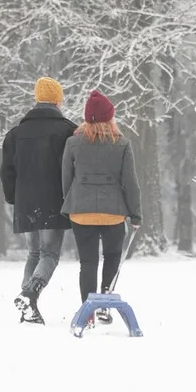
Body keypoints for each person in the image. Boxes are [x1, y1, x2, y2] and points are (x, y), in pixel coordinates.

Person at [61, 90, 142, 327]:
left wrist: (71, 200)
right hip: (113, 212)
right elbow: (130, 182)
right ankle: (105, 301)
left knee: (87, 262)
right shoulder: (122, 144)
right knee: (112, 256)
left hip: (81, 211)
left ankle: (87, 313)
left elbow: (66, 178)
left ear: (87, 117)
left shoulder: (73, 142)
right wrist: (135, 214)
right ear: (110, 117)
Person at [0, 77, 77, 325]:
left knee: (34, 252)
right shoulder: (68, 131)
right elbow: (73, 168)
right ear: (58, 99)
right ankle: (29, 292)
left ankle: (27, 307)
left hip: (25, 203)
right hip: (53, 202)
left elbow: (7, 171)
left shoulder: (15, 134)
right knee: (50, 254)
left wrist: (14, 198)